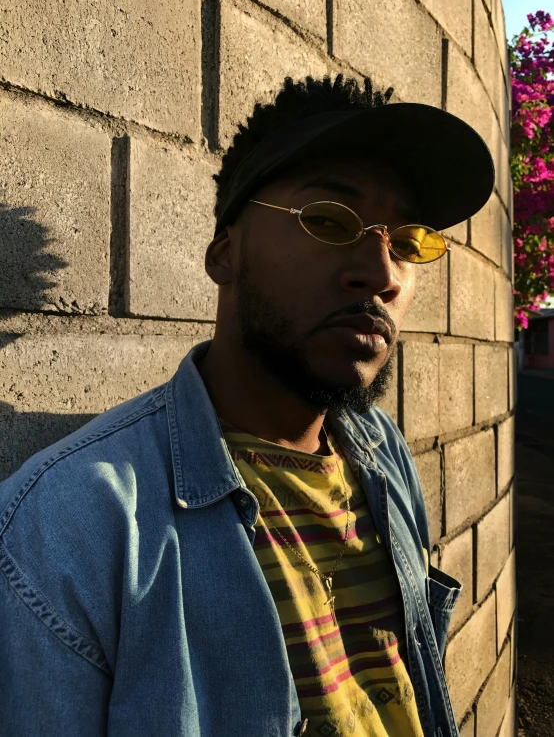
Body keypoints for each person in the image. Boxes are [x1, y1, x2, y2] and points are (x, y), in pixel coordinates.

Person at [0, 74, 494, 736]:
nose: (381, 272)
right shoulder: (73, 527)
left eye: (408, 240)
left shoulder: (382, 454)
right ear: (224, 253)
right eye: (327, 219)